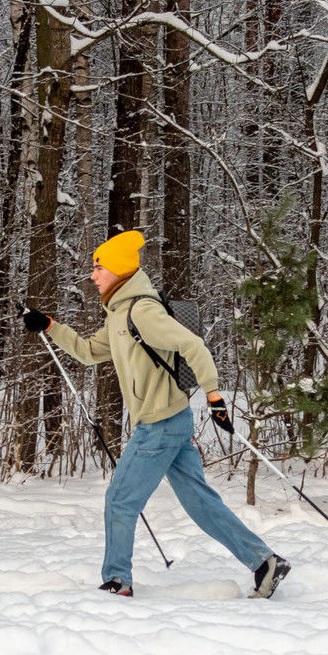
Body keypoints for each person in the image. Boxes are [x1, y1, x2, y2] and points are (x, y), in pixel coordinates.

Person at [18, 229, 291, 599]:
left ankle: (117, 580)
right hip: (171, 421)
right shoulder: (119, 314)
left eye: (98, 268)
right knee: (201, 503)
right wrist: (50, 325)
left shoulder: (141, 310)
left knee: (120, 500)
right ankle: (263, 561)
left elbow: (191, 344)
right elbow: (86, 351)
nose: (93, 275)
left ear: (117, 270)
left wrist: (214, 395)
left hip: (159, 425)